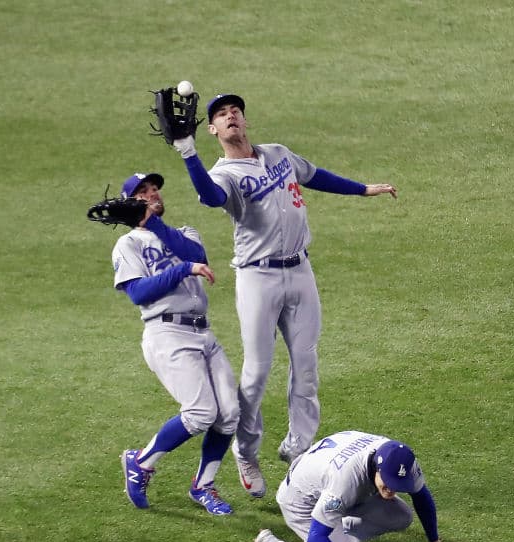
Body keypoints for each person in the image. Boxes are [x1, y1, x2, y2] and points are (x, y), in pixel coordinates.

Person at [165, 93, 398, 500]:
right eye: (221, 114)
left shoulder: (277, 153)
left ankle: (299, 451)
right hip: (258, 278)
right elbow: (211, 197)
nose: (231, 115)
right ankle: (246, 451)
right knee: (256, 373)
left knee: (307, 366)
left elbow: (314, 175)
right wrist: (188, 153)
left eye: (235, 110)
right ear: (213, 130)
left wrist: (362, 189)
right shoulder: (223, 173)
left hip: (301, 271)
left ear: (244, 120)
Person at [112, 171, 240, 515]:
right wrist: (181, 270)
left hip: (203, 333)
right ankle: (141, 463)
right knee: (200, 413)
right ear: (130, 203)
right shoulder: (128, 244)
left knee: (229, 414)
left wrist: (156, 225)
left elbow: (196, 254)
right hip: (166, 334)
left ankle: (203, 486)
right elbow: (138, 293)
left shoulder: (184, 233)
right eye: (143, 191)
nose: (152, 193)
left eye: (155, 188)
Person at [245, 430, 455, 542]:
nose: (392, 490)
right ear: (377, 468)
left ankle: (334, 537)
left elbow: (421, 495)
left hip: (326, 483)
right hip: (301, 502)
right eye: (388, 482)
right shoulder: (344, 484)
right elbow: (317, 537)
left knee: (401, 516)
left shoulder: (395, 455)